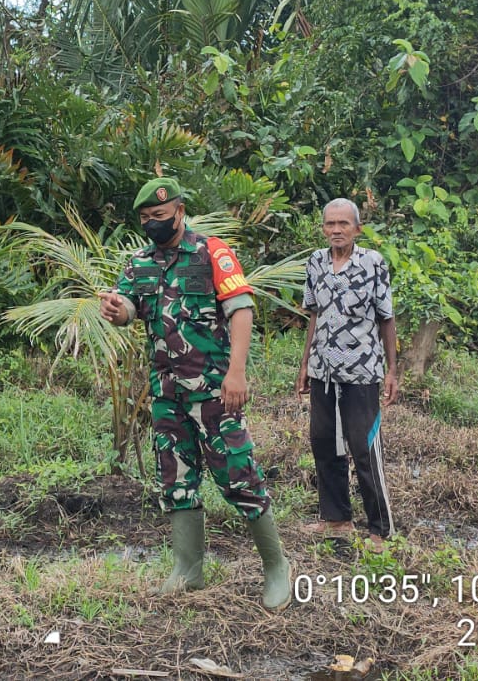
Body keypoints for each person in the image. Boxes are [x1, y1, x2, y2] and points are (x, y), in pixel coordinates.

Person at [98, 177, 292, 611]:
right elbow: (129, 307)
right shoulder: (139, 262)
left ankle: (276, 567)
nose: (153, 224)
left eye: (160, 217)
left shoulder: (212, 252)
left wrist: (236, 373)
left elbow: (240, 309)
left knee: (237, 474)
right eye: (146, 219)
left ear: (180, 212)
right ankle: (188, 569)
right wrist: (117, 310)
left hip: (213, 390)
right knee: (177, 478)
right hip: (166, 393)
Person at [296, 198, 400, 553]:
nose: (336, 230)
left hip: (362, 370)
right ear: (323, 228)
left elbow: (386, 317)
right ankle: (337, 520)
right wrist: (305, 364)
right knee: (324, 443)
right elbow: (314, 314)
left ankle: (380, 529)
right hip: (323, 370)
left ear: (357, 228)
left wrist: (392, 370)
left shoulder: (372, 263)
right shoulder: (315, 263)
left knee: (364, 447)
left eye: (343, 224)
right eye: (330, 224)